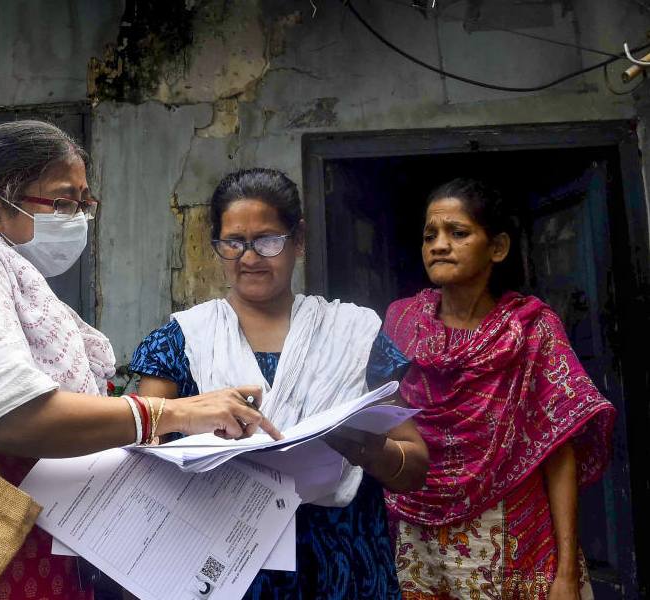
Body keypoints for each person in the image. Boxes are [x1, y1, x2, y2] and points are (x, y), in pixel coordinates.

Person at [0, 121, 280, 600]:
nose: (78, 217)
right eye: (63, 202)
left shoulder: (16, 278)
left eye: (84, 203)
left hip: (26, 538)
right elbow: (14, 416)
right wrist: (178, 412)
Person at [130, 167, 429, 599]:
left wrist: (370, 450)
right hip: (222, 561)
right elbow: (141, 457)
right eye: (233, 242)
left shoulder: (353, 334)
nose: (249, 258)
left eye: (268, 240)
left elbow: (414, 465)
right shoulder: (180, 340)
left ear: (299, 240)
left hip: (342, 562)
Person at [384, 178, 616, 600]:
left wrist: (564, 573)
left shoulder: (531, 331)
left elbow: (558, 450)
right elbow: (385, 425)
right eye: (429, 235)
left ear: (498, 247)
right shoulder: (401, 324)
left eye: (458, 233)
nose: (439, 245)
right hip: (417, 534)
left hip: (512, 532)